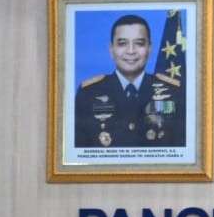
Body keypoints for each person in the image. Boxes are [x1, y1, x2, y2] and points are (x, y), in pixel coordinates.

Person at [74, 14, 185, 148]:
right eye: (122, 43)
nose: (131, 51)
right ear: (111, 49)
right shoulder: (88, 93)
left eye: (139, 43)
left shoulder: (174, 91)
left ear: (149, 49)